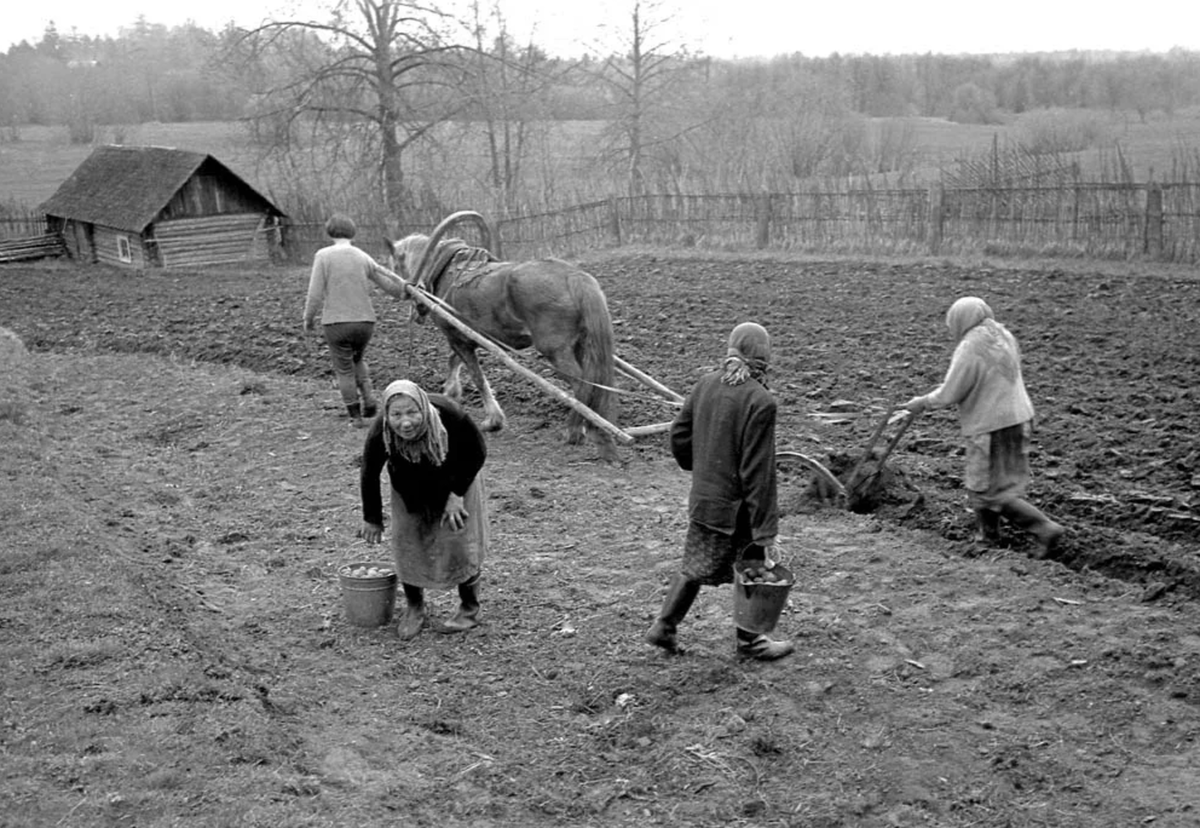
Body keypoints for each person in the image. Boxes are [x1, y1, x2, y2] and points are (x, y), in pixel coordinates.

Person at [645, 322, 794, 661]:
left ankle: (664, 626)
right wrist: (767, 530)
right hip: (735, 507)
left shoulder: (705, 385)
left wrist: (703, 471)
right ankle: (751, 642)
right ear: (763, 358)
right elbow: (759, 473)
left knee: (694, 564)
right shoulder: (761, 400)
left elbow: (679, 437)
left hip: (705, 499)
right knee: (754, 563)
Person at [901, 296, 1065, 558]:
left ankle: (1043, 529)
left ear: (959, 320)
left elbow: (951, 392)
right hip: (1019, 418)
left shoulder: (970, 346)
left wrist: (922, 402)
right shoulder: (1003, 335)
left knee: (985, 487)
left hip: (992, 425)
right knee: (997, 484)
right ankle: (988, 538)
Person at [360, 380, 489, 639]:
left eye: (412, 413)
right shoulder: (382, 430)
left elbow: (477, 452)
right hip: (409, 487)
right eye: (396, 415)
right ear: (387, 414)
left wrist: (457, 494)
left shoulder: (450, 414)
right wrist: (372, 518)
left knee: (459, 540)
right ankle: (415, 608)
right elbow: (370, 470)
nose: (405, 422)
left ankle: (469, 609)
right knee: (408, 542)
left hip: (456, 480)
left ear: (422, 406)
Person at [303, 214, 385, 428]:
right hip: (365, 322)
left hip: (336, 323)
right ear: (352, 231)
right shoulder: (362, 256)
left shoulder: (323, 256)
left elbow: (315, 294)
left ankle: (355, 417)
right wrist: (407, 291)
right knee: (357, 359)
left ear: (330, 232)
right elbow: (385, 281)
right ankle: (370, 401)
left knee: (344, 369)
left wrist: (308, 319)